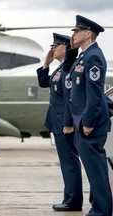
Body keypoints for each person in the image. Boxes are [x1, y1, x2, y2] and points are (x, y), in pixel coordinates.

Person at [63, 15, 112, 216]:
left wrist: (89, 121)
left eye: (76, 31)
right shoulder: (84, 56)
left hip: (90, 122)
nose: (72, 35)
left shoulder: (93, 56)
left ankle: (101, 210)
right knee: (92, 169)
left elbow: (94, 93)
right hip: (81, 120)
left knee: (96, 169)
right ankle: (97, 206)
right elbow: (68, 72)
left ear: (88, 33)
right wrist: (71, 50)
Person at [36, 33, 83, 212]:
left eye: (56, 46)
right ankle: (70, 198)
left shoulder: (69, 68)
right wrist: (46, 63)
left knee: (69, 162)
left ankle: (72, 201)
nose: (52, 49)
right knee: (67, 162)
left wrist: (68, 123)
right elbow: (43, 83)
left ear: (66, 47)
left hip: (65, 123)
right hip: (58, 122)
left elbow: (70, 99)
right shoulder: (61, 69)